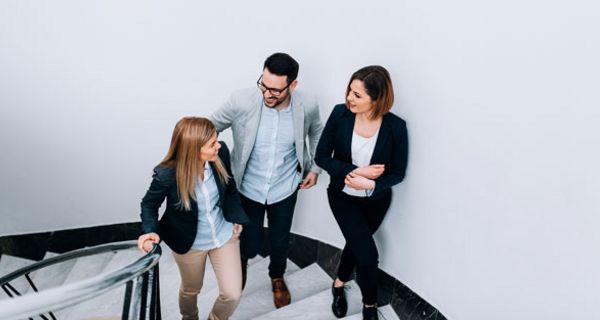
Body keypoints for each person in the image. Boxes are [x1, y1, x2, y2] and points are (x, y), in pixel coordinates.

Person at [210, 52, 323, 308]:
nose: (267, 94)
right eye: (263, 85)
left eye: (275, 90)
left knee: (280, 240)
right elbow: (210, 126)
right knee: (247, 241)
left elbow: (317, 131)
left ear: (292, 85)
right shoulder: (241, 100)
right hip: (247, 187)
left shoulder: (308, 104)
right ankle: (240, 269)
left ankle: (277, 276)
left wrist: (314, 168)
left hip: (286, 187)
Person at [315, 65, 409, 320]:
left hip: (375, 201)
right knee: (368, 254)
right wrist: (358, 172)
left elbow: (398, 173)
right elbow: (322, 156)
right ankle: (370, 305)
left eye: (357, 95)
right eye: (350, 91)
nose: (349, 98)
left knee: (356, 245)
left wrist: (373, 185)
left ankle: (338, 283)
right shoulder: (340, 114)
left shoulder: (396, 127)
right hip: (342, 196)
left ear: (376, 99)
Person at [138, 117, 250, 320]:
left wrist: (236, 216)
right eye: (211, 144)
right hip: (189, 243)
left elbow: (230, 187)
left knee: (232, 294)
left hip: (224, 235)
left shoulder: (220, 153)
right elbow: (148, 204)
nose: (218, 145)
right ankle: (189, 318)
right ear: (193, 148)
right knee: (191, 289)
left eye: (217, 140)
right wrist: (150, 231)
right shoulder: (167, 175)